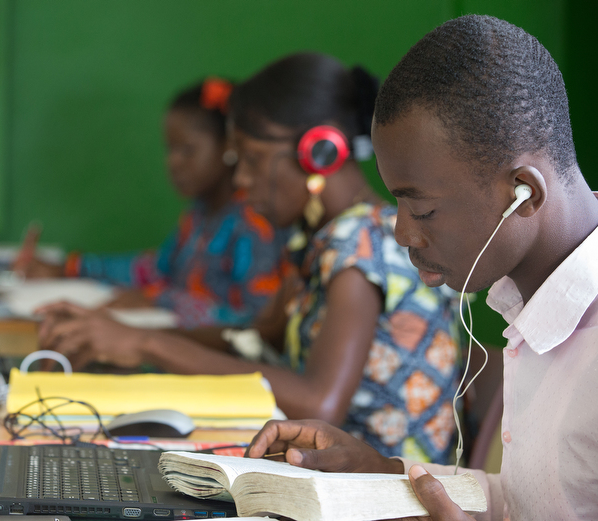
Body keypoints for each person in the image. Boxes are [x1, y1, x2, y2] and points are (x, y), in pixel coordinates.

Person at [244, 15, 598, 521]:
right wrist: (381, 471)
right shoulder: (531, 298)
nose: (402, 234)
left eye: (423, 210)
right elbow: (535, 503)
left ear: (524, 194)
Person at [36, 52, 462, 465]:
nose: (241, 179)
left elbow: (319, 403)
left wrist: (147, 343)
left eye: (253, 161)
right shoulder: (320, 240)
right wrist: (123, 335)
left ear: (319, 152)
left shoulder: (361, 243)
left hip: (383, 494)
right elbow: (258, 337)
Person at [13, 78, 288, 328]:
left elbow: (257, 321)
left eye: (187, 150)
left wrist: (160, 300)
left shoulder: (254, 222)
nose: (173, 163)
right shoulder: (200, 215)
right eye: (170, 150)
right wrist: (68, 268)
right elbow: (155, 270)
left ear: (230, 146)